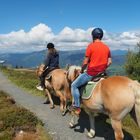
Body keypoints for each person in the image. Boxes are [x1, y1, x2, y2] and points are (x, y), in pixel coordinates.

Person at [70, 28, 112, 115]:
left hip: (91, 73)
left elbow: (85, 62)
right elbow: (110, 62)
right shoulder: (106, 47)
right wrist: (104, 67)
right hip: (102, 73)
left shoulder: (91, 46)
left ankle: (77, 106)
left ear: (93, 36)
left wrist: (82, 70)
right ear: (101, 36)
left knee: (74, 85)